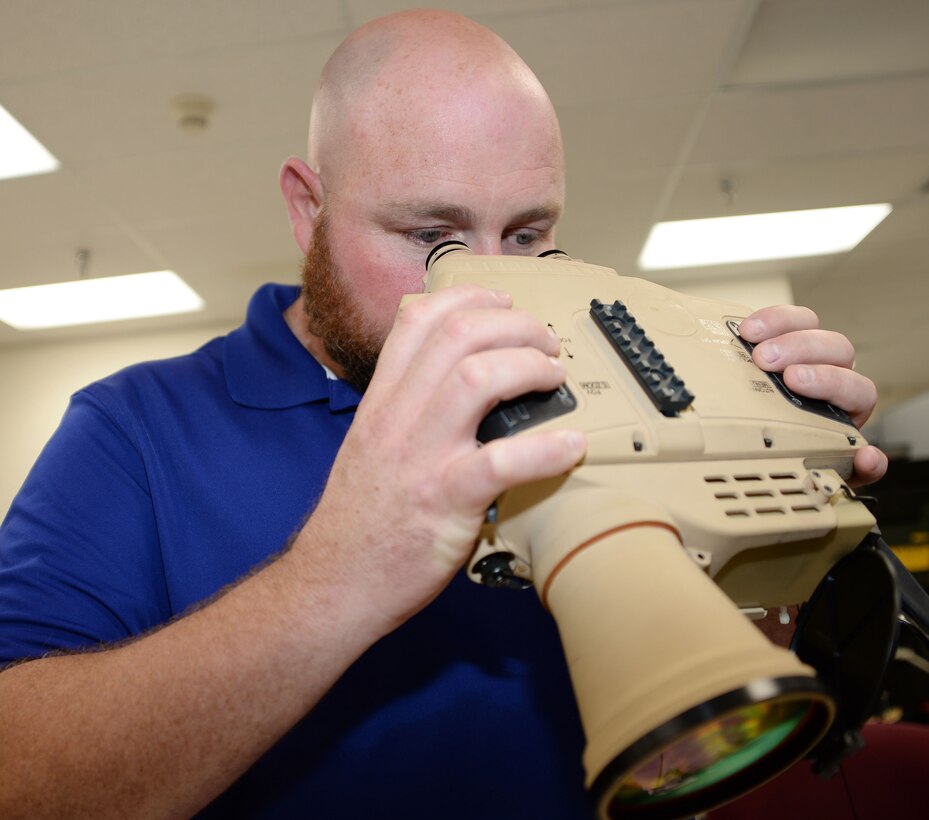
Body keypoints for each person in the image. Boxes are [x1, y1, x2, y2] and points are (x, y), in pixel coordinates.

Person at [0, 9, 886, 819]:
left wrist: (780, 521)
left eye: (530, 234)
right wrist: (335, 581)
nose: (494, 282)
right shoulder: (134, 430)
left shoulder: (607, 384)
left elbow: (687, 754)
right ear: (309, 211)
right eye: (435, 240)